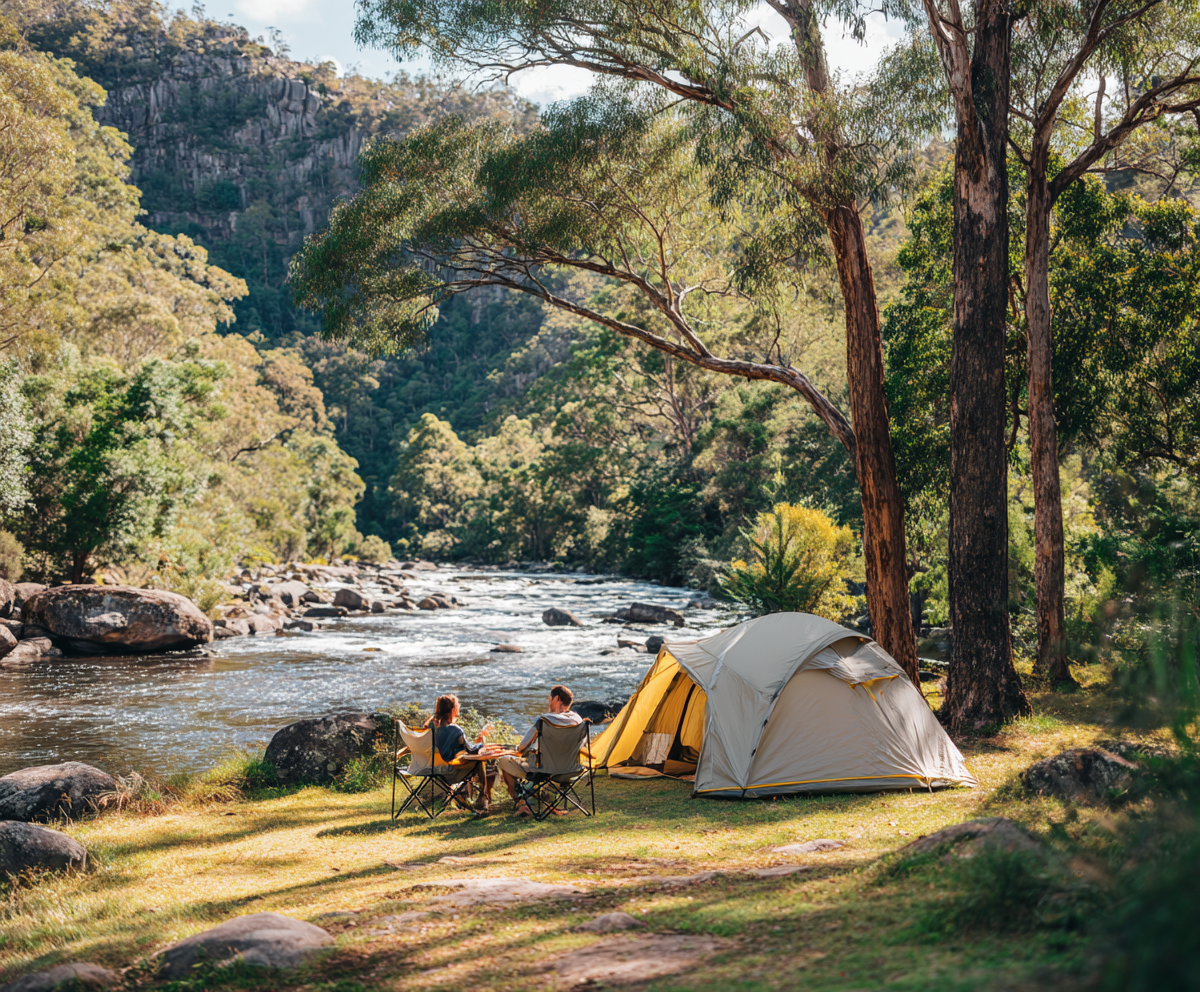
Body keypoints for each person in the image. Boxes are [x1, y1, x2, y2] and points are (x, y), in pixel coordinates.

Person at [496, 684, 583, 817]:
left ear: (557, 699)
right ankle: (540, 802)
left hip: (544, 770)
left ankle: (521, 803)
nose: (549, 701)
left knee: (503, 761)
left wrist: (516, 750)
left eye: (550, 698)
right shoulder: (579, 721)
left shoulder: (544, 720)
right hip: (571, 768)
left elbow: (522, 746)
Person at [426, 694, 493, 812]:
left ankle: (469, 796)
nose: (459, 707)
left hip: (431, 769)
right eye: (457, 705)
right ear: (452, 710)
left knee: (475, 758)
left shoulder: (430, 726)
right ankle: (483, 798)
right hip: (450, 771)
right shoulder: (456, 730)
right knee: (481, 760)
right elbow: (471, 750)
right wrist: (482, 741)